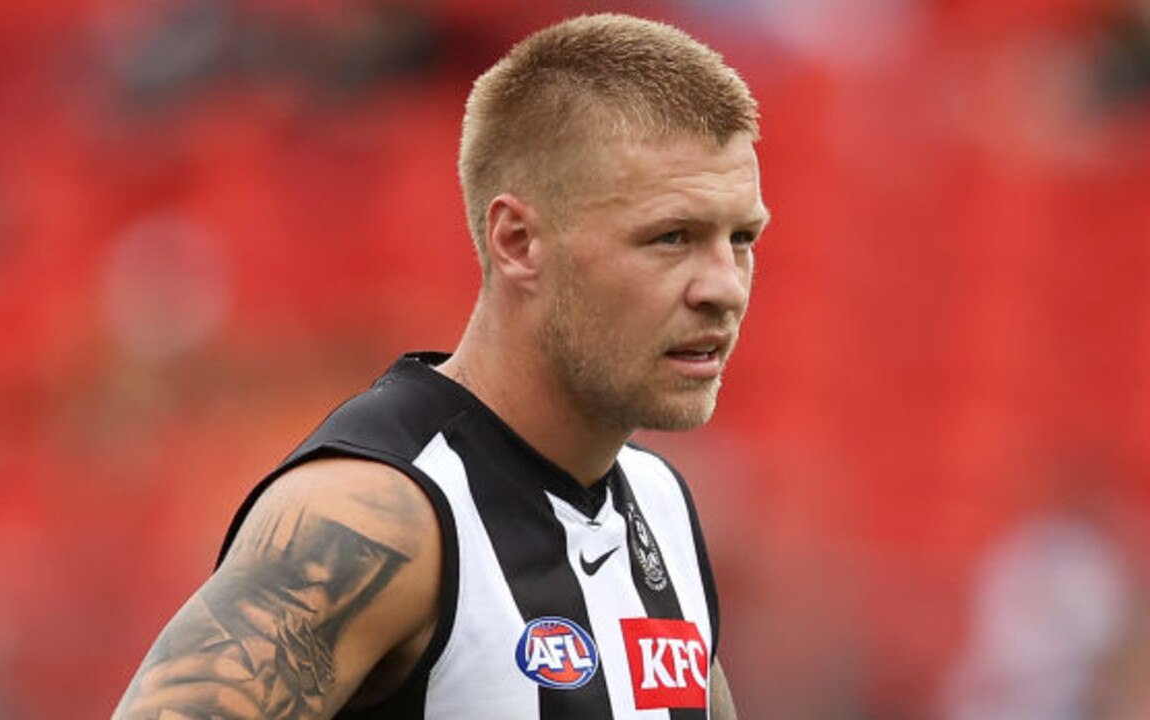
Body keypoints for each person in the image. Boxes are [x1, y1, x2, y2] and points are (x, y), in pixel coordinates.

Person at [114, 12, 768, 720]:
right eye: (671, 237)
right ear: (517, 242)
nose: (724, 287)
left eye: (741, 238)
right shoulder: (380, 516)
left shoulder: (659, 506)